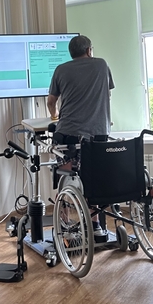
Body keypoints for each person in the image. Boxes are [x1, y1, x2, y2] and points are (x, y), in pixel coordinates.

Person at [47, 34, 114, 237]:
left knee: (65, 179)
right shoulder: (102, 65)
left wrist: (54, 115)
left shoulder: (61, 69)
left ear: (71, 53)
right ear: (88, 50)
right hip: (97, 135)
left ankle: (64, 225)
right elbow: (108, 94)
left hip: (68, 134)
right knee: (92, 180)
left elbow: (51, 101)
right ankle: (95, 226)